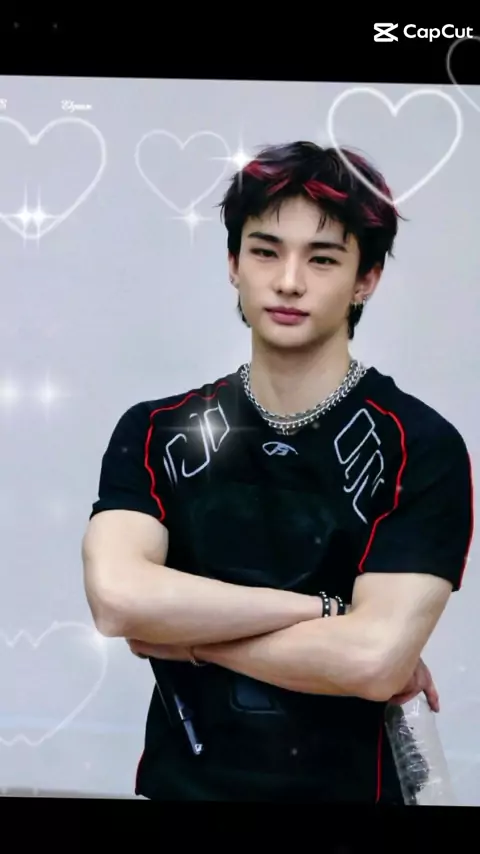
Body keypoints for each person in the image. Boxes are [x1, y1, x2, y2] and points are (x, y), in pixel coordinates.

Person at [82, 141, 473, 803]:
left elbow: (374, 661)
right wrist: (326, 611)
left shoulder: (420, 446)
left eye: (322, 259)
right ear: (234, 264)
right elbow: (118, 599)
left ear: (366, 279)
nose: (289, 281)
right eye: (265, 251)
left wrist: (181, 638)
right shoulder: (155, 431)